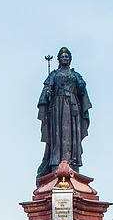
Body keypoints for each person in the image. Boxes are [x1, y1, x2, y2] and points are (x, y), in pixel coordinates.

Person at [37, 47, 91, 178]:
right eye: (62, 56)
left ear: (70, 59)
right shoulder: (54, 75)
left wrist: (81, 86)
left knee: (71, 134)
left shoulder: (76, 75)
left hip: (72, 107)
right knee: (58, 134)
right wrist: (48, 93)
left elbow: (82, 92)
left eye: (67, 56)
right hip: (57, 107)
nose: (65, 58)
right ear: (59, 59)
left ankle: (73, 162)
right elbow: (47, 89)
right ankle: (55, 162)